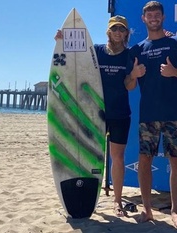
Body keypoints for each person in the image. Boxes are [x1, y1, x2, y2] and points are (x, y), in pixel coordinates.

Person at [55, 15, 132, 217]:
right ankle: (87, 195)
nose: (118, 33)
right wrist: (61, 42)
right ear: (108, 31)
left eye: (121, 29)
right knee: (90, 156)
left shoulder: (129, 55)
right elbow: (74, 61)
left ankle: (117, 201)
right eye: (114, 29)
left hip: (120, 113)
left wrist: (133, 76)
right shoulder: (95, 51)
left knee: (117, 157)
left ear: (126, 33)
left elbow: (130, 86)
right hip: (94, 114)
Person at [125, 0, 177, 228]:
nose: (153, 17)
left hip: (175, 113)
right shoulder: (137, 49)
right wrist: (133, 74)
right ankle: (147, 210)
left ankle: (175, 211)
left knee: (176, 161)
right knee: (144, 161)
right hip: (148, 115)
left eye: (157, 14)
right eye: (149, 15)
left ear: (163, 17)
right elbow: (129, 86)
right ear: (143, 19)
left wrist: (175, 73)